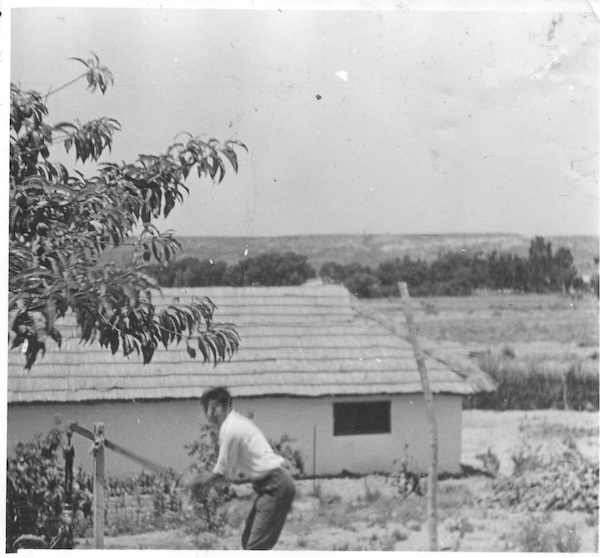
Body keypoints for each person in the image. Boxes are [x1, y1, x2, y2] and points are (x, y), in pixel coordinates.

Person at [179, 387, 296, 550]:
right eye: (207, 409)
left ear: (222, 406)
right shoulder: (231, 425)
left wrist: (196, 482)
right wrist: (201, 485)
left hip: (276, 486)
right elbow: (225, 473)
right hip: (271, 486)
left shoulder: (231, 429)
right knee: (249, 541)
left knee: (254, 547)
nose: (209, 413)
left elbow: (222, 474)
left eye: (212, 408)